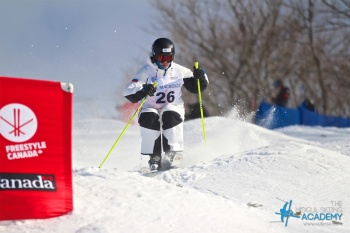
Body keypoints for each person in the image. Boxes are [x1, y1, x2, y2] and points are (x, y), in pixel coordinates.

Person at [123, 38, 209, 171]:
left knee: (169, 112)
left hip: (173, 106)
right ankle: (154, 156)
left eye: (168, 58)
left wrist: (201, 77)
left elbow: (197, 87)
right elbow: (129, 91)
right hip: (150, 107)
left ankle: (172, 153)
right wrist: (143, 90)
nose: (164, 61)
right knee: (149, 115)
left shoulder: (179, 71)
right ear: (154, 55)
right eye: (161, 57)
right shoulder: (146, 71)